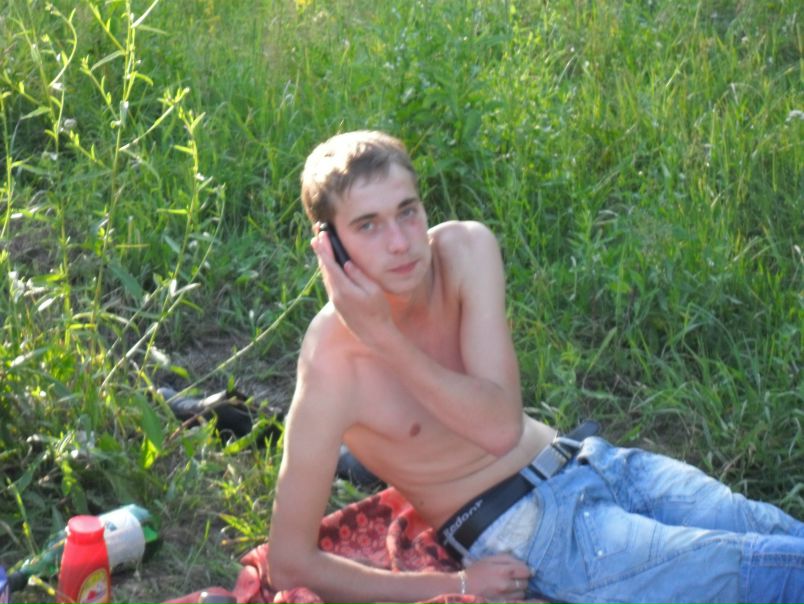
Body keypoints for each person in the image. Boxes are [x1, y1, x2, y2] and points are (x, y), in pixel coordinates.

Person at [267, 130, 803, 604]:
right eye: (368, 226)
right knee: (774, 573)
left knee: (780, 534)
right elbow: (289, 562)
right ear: (329, 246)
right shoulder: (332, 359)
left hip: (595, 462)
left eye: (408, 211)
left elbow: (499, 420)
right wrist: (456, 585)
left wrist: (384, 337)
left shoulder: (463, 251)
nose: (402, 242)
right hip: (531, 532)